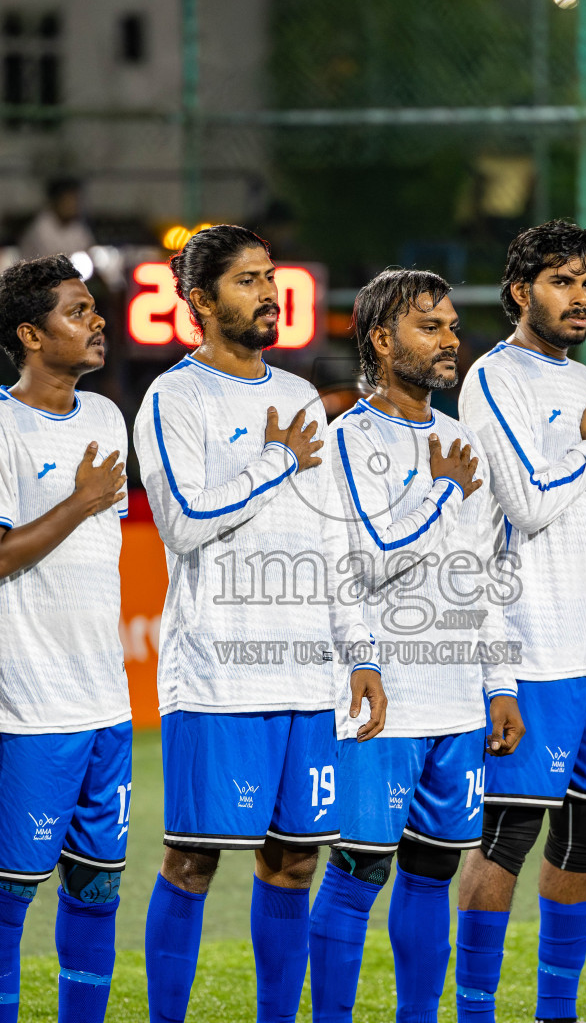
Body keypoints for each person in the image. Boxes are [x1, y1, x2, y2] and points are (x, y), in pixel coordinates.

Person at [132, 225, 387, 1023]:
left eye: (269, 276)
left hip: (308, 676)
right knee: (193, 858)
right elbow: (182, 520)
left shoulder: (298, 396)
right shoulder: (174, 398)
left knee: (294, 863)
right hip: (218, 672)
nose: (269, 292)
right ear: (200, 301)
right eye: (247, 281)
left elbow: (332, 534)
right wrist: (277, 459)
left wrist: (360, 653)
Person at [307, 268, 524, 1023]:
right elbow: (363, 562)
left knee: (434, 872)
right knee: (360, 870)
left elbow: (484, 576)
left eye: (452, 327)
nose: (448, 341)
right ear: (379, 338)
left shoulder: (462, 442)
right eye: (428, 327)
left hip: (458, 700)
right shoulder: (347, 439)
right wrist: (439, 491)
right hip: (383, 697)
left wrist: (502, 682)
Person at [455, 219, 586, 1023]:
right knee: (507, 837)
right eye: (561, 282)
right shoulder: (492, 378)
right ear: (519, 292)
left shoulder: (583, 383)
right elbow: (525, 503)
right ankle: (474, 1012)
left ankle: (554, 1012)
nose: (579, 299)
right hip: (531, 646)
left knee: (584, 836)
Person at [0, 254, 131, 1022]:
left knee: (97, 889)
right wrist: (81, 499)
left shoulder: (105, 417)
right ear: (30, 333)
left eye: (94, 309)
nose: (97, 322)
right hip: (29, 704)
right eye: (77, 311)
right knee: (7, 893)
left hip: (107, 704)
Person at [18, 177, 95, 262]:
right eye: (68, 200)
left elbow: (88, 252)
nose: (72, 205)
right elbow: (52, 259)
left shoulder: (77, 227)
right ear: (56, 201)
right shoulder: (41, 228)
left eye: (74, 200)